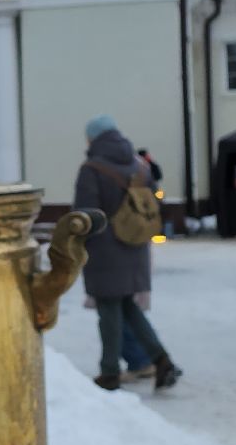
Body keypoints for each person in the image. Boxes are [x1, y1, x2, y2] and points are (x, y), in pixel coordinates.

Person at [74, 114, 182, 392]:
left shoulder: (92, 169)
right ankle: (161, 360)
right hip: (135, 245)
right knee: (128, 307)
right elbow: (155, 200)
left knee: (109, 310)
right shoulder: (139, 166)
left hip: (105, 249)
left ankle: (109, 372)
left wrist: (76, 242)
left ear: (93, 138)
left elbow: (85, 215)